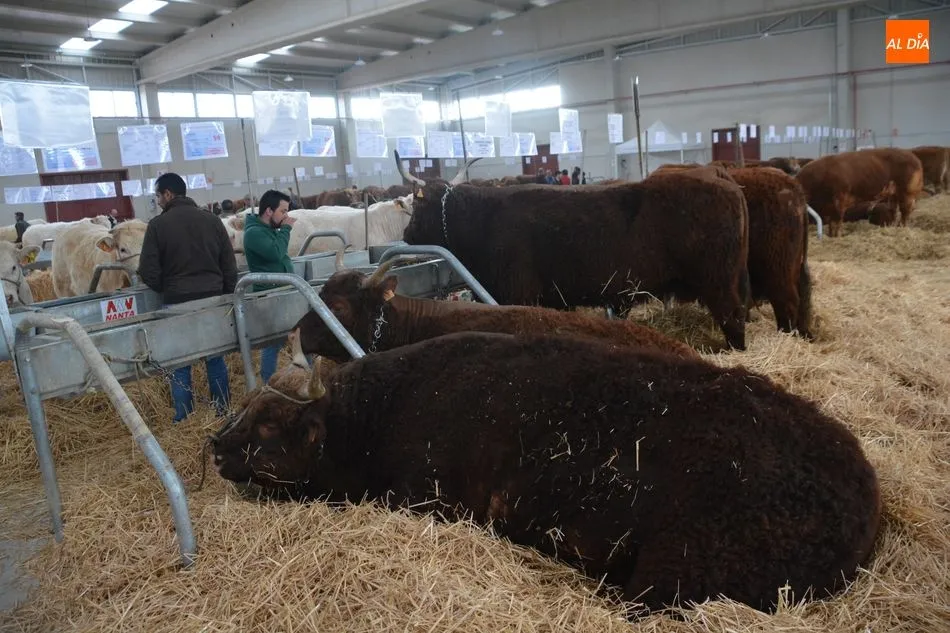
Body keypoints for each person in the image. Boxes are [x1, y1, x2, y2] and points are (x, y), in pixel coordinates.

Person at [137, 172, 238, 424]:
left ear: (168, 194)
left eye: (159, 195)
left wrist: (168, 287)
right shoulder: (212, 221)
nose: (158, 201)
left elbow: (147, 270)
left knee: (179, 361)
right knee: (215, 357)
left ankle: (184, 418)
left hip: (177, 302)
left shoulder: (157, 226)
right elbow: (229, 264)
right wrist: (224, 292)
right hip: (213, 300)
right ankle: (222, 411)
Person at [242, 189, 296, 384]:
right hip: (269, 295)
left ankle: (303, 375)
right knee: (272, 342)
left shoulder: (268, 230)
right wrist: (286, 230)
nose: (286, 216)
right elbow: (275, 253)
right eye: (283, 211)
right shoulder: (254, 233)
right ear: (268, 211)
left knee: (296, 335)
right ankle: (268, 383)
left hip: (281, 291)